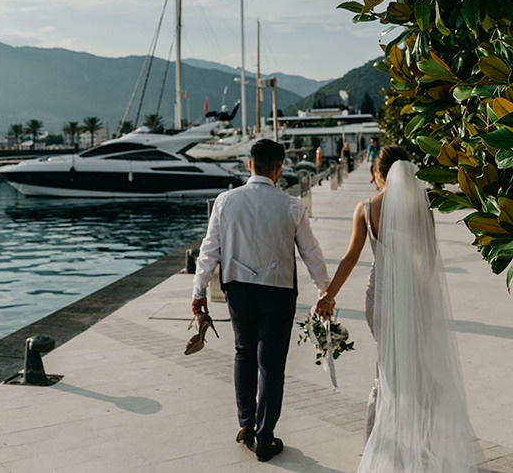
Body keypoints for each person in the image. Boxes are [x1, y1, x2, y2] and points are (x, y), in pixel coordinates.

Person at [315, 145, 477, 472]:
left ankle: (380, 448)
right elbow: (429, 258)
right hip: (416, 296)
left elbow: (349, 258)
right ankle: (425, 444)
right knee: (417, 369)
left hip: (380, 300)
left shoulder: (366, 209)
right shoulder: (420, 206)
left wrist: (328, 295)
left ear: (378, 174)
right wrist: (418, 294)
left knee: (386, 372)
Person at [190, 138, 331, 463]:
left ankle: (246, 424)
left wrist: (198, 292)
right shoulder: (292, 205)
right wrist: (325, 291)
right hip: (278, 290)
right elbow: (311, 253)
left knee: (243, 353)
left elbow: (209, 251)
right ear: (279, 168)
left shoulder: (225, 202)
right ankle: (265, 436)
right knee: (271, 364)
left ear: (249, 164)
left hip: (238, 289)